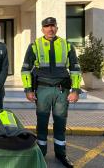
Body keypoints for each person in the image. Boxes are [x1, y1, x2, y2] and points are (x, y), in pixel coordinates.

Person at [21, 17, 81, 168]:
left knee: (60, 122)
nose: (50, 29)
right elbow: (26, 69)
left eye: (52, 26)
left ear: (56, 28)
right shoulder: (35, 45)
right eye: (47, 26)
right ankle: (41, 153)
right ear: (42, 29)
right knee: (42, 123)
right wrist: (28, 89)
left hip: (62, 90)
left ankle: (61, 154)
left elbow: (75, 69)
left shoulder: (67, 45)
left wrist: (75, 90)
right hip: (42, 90)